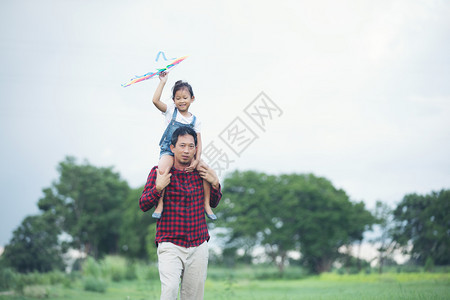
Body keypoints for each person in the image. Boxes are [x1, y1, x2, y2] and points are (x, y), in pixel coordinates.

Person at [139, 126, 222, 300]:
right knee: (169, 292)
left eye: (191, 146)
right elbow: (143, 204)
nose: (186, 151)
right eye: (182, 145)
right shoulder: (160, 172)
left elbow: (214, 202)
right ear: (172, 147)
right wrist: (158, 188)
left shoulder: (201, 173)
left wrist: (215, 183)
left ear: (196, 149)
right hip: (170, 243)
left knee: (193, 297)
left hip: (198, 244)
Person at [151, 71, 216, 220]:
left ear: (192, 99)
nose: (181, 101)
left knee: (205, 170)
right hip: (169, 150)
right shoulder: (169, 111)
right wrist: (162, 82)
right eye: (178, 98)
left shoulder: (195, 121)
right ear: (173, 100)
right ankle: (160, 204)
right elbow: (155, 101)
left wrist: (196, 160)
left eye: (185, 98)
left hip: (189, 152)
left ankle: (206, 204)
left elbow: (198, 143)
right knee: (162, 168)